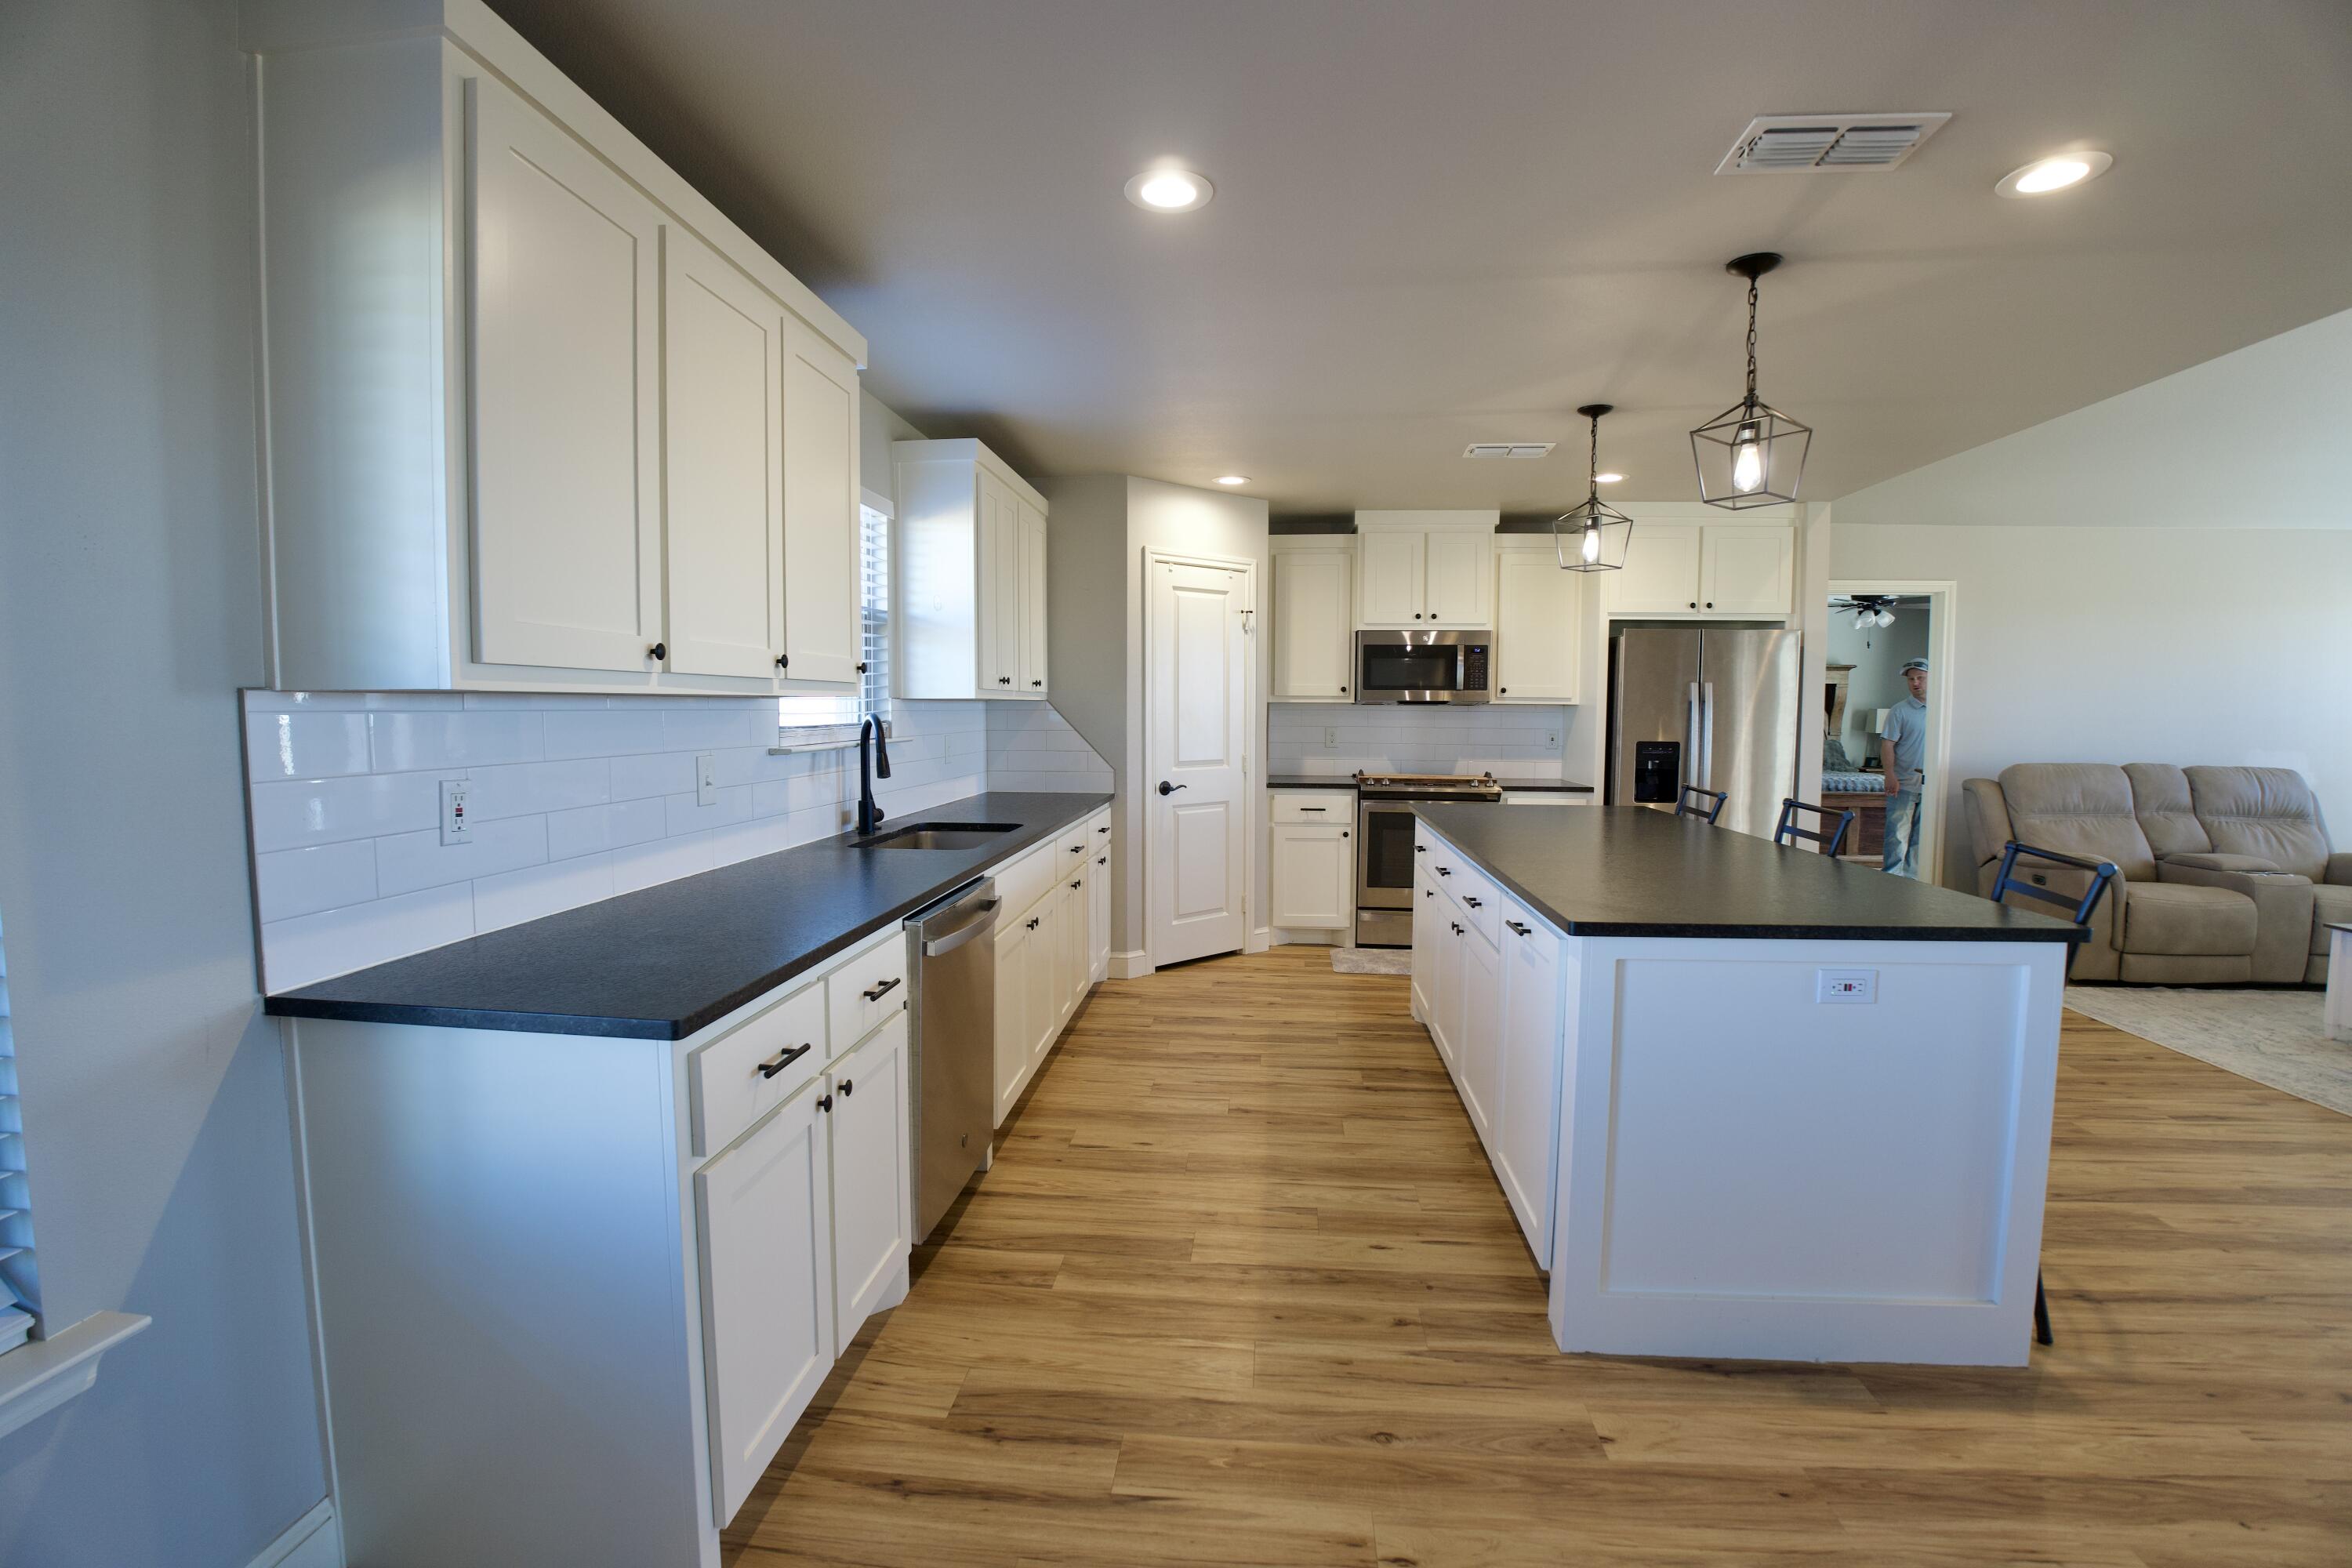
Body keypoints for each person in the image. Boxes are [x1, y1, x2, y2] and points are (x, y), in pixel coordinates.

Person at [1880, 658, 1929, 877]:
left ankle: (1913, 881)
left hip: (1930, 786)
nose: (1915, 683)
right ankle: (1891, 878)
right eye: (1911, 679)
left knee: (1921, 839)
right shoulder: (1899, 711)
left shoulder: (1942, 710)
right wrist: (1889, 775)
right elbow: (1887, 744)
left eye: (1920, 678)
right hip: (1903, 784)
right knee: (1897, 835)